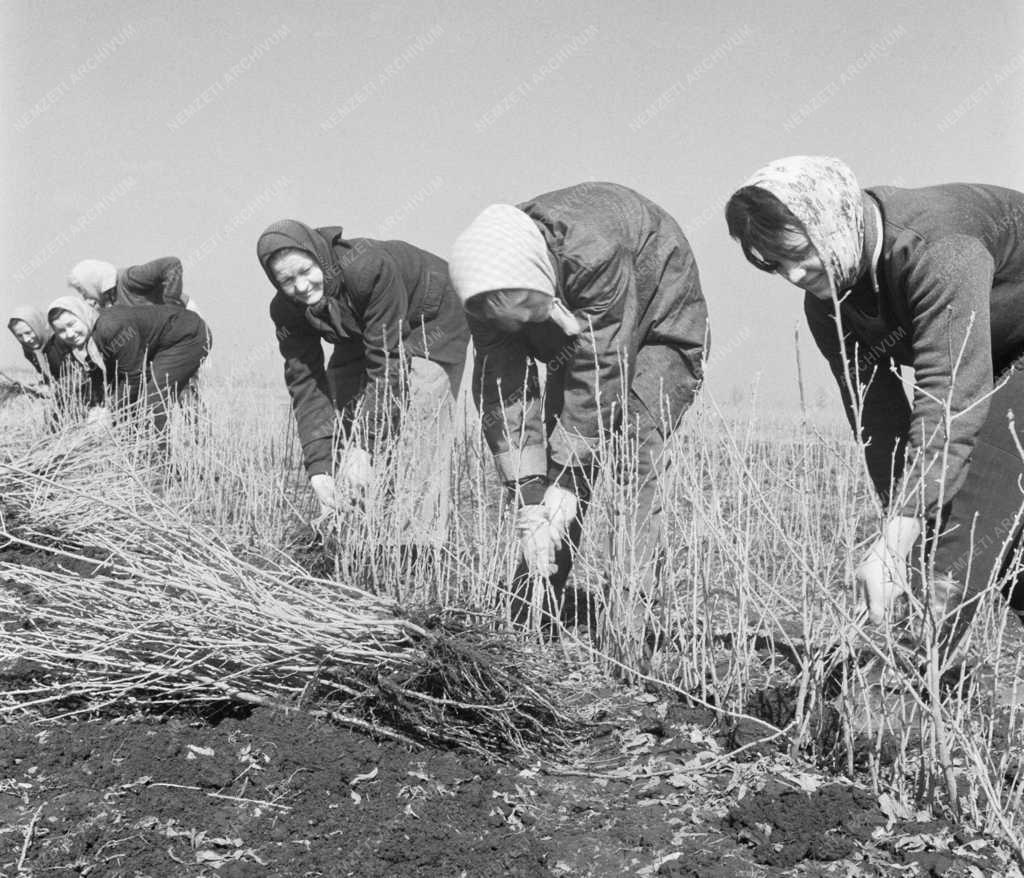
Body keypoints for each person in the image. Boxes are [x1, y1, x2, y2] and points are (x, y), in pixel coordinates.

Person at [725, 155, 1024, 658]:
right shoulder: (827, 302)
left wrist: (898, 541)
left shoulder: (940, 249)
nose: (795, 274)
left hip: (1003, 357)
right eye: (776, 265)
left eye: (799, 253)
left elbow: (948, 399)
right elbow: (877, 420)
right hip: (989, 352)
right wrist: (900, 529)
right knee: (980, 537)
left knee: (970, 514)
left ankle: (913, 684)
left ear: (834, 220)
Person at [449, 182, 709, 641]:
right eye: (513, 322)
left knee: (635, 446)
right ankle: (536, 596)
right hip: (573, 328)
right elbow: (503, 390)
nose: (523, 326)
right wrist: (530, 501)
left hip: (657, 322)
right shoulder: (482, 289)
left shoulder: (594, 253)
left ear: (541, 278)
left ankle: (631, 609)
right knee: (553, 455)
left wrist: (569, 479)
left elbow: (602, 363)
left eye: (530, 310)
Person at [256, 219, 470, 533]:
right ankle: (354, 527)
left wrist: (365, 447)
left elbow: (388, 363)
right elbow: (306, 386)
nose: (301, 287)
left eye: (305, 271)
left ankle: (411, 546)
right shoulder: (287, 310)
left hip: (430, 313)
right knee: (344, 407)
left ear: (319, 257)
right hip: (363, 327)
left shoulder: (368, 268)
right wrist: (319, 467)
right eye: (287, 280)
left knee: (418, 419)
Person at [47, 295, 211, 434]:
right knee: (130, 399)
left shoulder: (111, 327)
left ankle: (158, 463)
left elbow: (134, 376)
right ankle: (134, 447)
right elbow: (100, 374)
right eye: (61, 331)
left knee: (153, 399)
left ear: (82, 314)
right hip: (159, 345)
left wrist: (109, 411)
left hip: (187, 335)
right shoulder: (89, 339)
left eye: (71, 324)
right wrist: (98, 406)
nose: (69, 334)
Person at [67, 256, 201, 312]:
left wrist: (171, 307)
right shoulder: (107, 300)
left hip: (185, 313)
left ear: (92, 283)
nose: (84, 297)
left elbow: (172, 264)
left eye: (83, 291)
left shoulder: (130, 278)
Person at [8, 306, 65, 383]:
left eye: (28, 333)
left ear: (38, 325)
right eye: (19, 336)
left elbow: (80, 374)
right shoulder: (30, 350)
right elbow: (49, 378)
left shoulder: (62, 340)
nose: (26, 339)